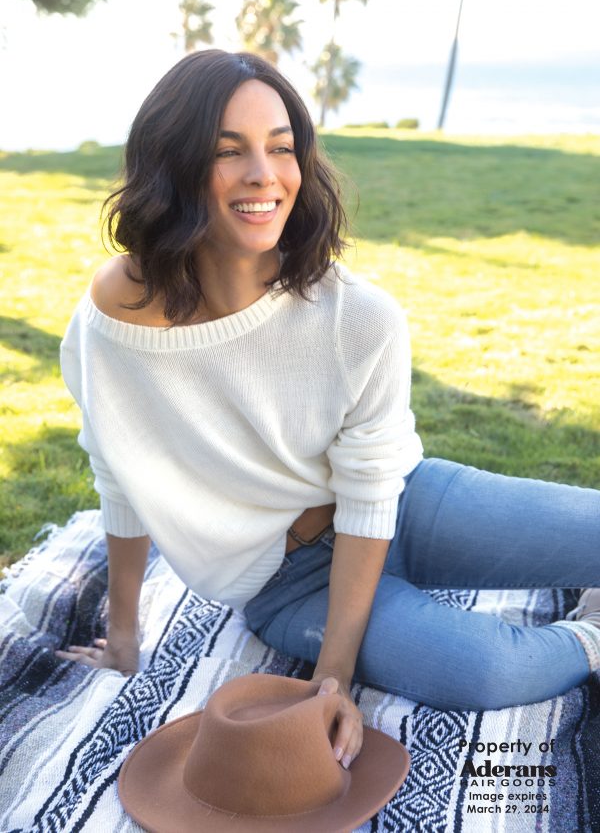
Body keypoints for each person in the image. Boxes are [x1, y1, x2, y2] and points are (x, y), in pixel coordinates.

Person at [56, 49, 600, 774]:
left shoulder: (357, 316)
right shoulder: (110, 325)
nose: (264, 175)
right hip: (286, 585)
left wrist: (334, 676)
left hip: (405, 505)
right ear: (173, 164)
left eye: (281, 148)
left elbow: (372, 491)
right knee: (489, 670)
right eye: (228, 151)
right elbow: (118, 471)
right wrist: (123, 636)